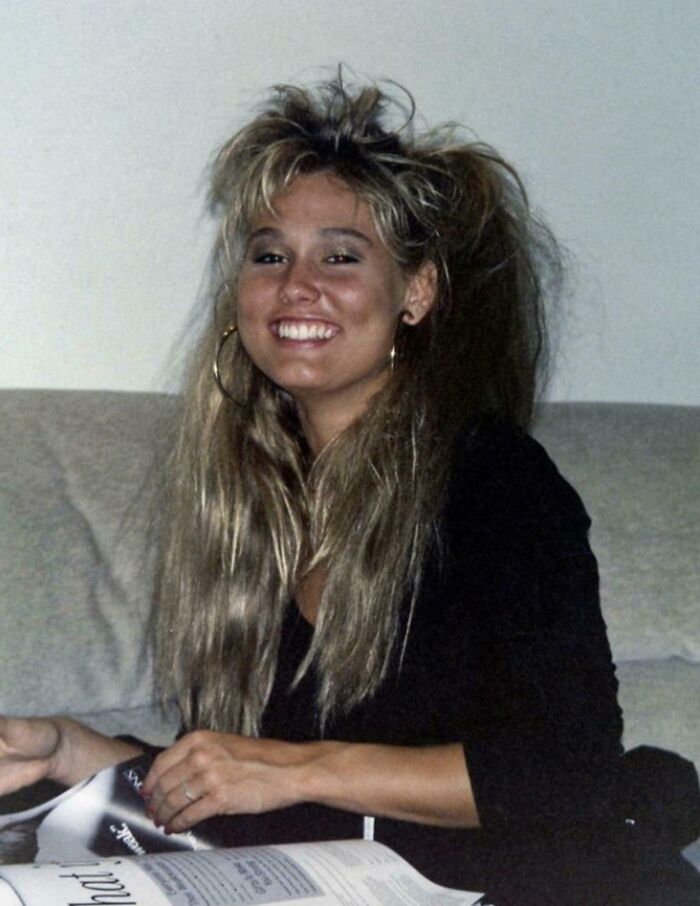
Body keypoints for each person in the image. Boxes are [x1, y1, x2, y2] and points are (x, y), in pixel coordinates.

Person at [1, 75, 698, 903]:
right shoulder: (246, 497)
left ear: (417, 291)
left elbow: (564, 773)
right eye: (270, 255)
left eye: (340, 255)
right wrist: (69, 750)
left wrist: (296, 770)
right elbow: (239, 783)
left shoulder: (494, 481)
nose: (298, 286)